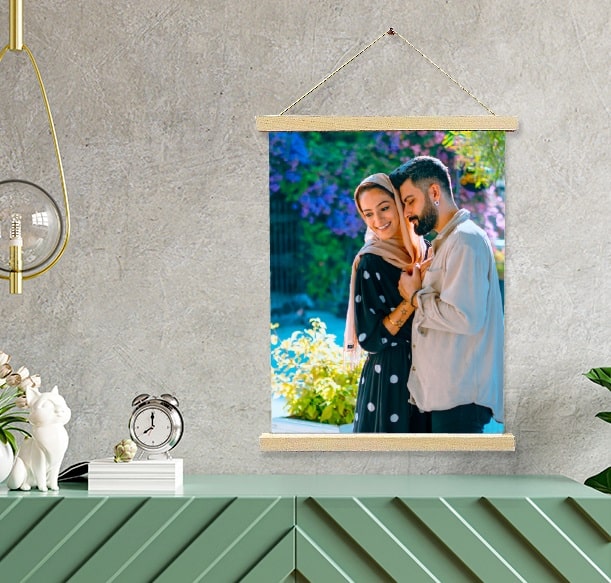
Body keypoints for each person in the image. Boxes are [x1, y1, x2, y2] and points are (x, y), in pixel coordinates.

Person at [389, 156, 504, 433]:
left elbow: (466, 318)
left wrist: (415, 296)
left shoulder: (465, 240)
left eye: (409, 201)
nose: (407, 212)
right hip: (449, 399)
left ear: (435, 192)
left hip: (460, 402)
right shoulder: (450, 242)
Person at [344, 173, 431, 433]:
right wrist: (410, 300)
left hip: (429, 371)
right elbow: (370, 339)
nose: (378, 221)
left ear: (400, 204)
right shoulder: (370, 261)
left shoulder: (425, 250)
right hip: (391, 377)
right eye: (368, 214)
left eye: (384, 208)